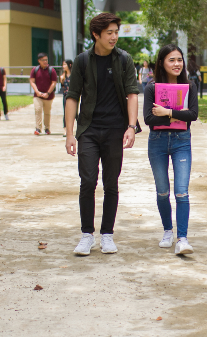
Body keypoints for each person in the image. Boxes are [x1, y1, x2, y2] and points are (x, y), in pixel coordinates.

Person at [64, 13, 140, 256]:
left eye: (116, 32)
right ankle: (87, 235)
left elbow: (132, 94)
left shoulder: (124, 60)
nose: (114, 37)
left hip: (115, 130)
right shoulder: (83, 61)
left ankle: (107, 234)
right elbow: (72, 97)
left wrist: (131, 126)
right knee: (87, 181)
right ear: (96, 35)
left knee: (111, 183)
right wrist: (69, 134)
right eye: (109, 33)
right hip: (88, 129)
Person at [144, 44, 198, 255]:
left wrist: (166, 111)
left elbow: (192, 115)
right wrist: (178, 113)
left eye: (179, 60)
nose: (177, 64)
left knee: (182, 191)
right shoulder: (151, 88)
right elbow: (149, 118)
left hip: (182, 141)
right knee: (162, 190)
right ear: (162, 63)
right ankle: (168, 230)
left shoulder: (190, 86)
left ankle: (182, 239)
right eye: (171, 60)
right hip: (157, 141)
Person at [29, 52, 57, 135]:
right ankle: (38, 128)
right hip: (38, 95)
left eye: (46, 60)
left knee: (47, 112)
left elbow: (54, 82)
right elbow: (32, 81)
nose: (45, 61)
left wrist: (48, 93)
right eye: (43, 60)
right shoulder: (35, 70)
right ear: (39, 61)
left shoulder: (51, 70)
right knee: (38, 110)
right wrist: (37, 91)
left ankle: (47, 128)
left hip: (48, 96)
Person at [60, 59, 73, 137]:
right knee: (65, 113)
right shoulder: (62, 76)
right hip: (65, 96)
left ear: (70, 65)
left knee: (74, 114)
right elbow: (62, 87)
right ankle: (66, 130)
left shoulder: (74, 75)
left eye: (65, 64)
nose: (63, 66)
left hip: (73, 96)